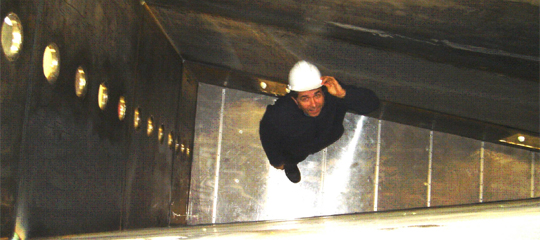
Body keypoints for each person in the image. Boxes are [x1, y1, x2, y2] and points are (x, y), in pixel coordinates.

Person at [259, 60, 380, 183]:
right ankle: (291, 166)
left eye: (317, 95)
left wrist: (343, 94)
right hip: (297, 149)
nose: (314, 104)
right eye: (305, 98)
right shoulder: (280, 113)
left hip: (328, 136)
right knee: (292, 158)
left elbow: (373, 104)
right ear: (295, 100)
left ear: (323, 91)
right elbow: (267, 133)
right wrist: (276, 160)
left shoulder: (333, 93)